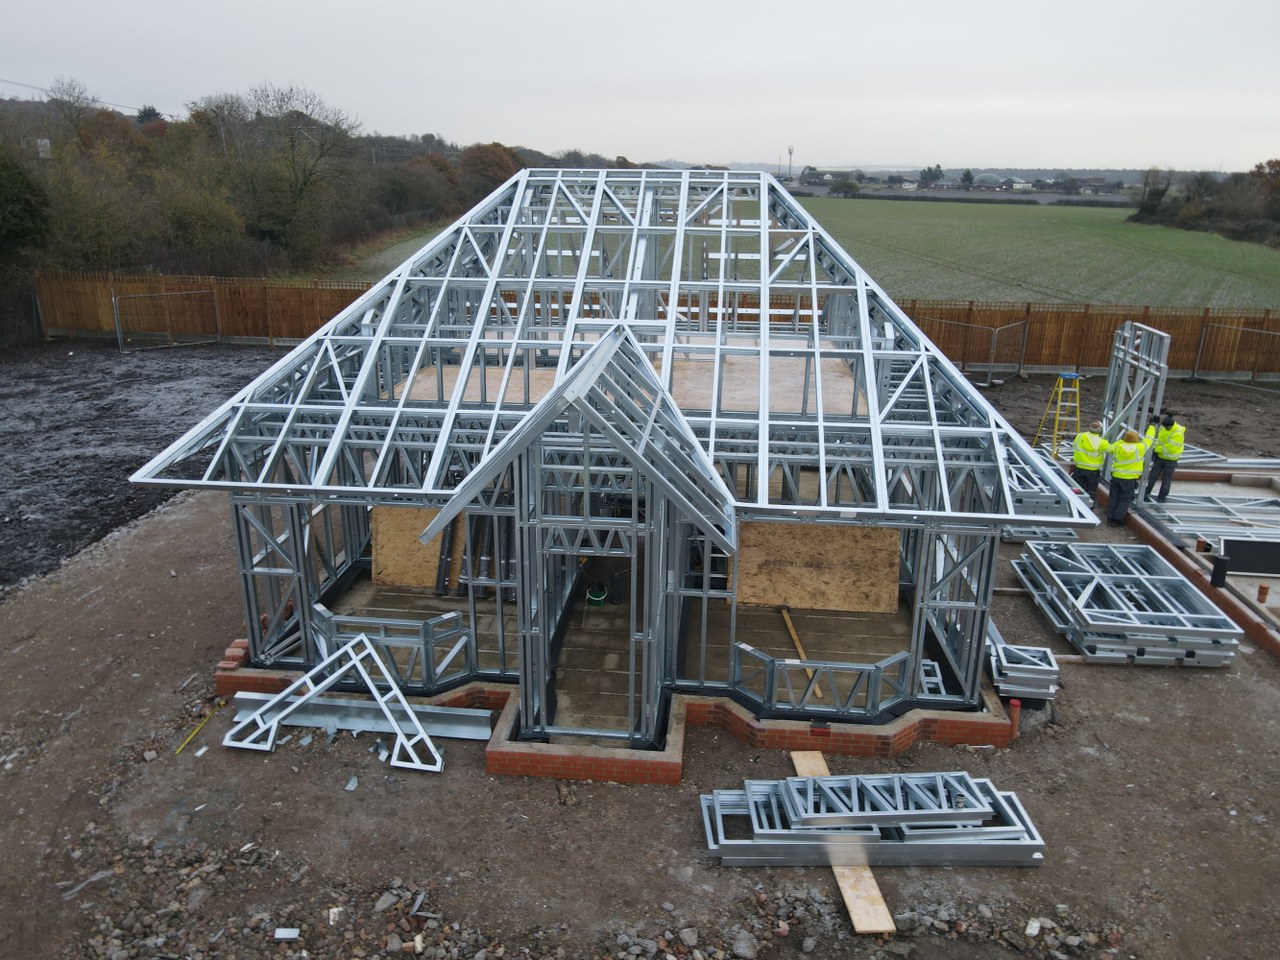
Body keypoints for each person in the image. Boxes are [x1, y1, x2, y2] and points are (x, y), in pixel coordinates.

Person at [1106, 428, 1151, 526]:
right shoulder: (1140, 448)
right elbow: (1149, 440)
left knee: (1113, 497)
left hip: (1116, 477)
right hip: (1129, 479)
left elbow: (1109, 448)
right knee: (1125, 499)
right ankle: (1117, 519)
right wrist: (1151, 427)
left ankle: (1109, 517)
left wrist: (1122, 440)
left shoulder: (1118, 445)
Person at [1144, 412, 1186, 503]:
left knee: (1166, 479)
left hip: (1170, 460)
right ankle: (1146, 493)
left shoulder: (1178, 433)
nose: (1165, 428)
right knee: (1153, 476)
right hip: (1160, 457)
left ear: (1171, 426)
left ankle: (1162, 498)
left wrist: (1155, 449)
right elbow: (1159, 440)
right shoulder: (1163, 427)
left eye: (1167, 427)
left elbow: (1168, 448)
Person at [1071, 421, 1110, 505]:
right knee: (1091, 492)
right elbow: (1111, 450)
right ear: (1100, 430)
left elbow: (1074, 445)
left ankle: (1075, 505)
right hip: (1093, 471)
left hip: (1079, 468)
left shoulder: (1080, 436)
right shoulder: (1102, 442)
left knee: (1076, 490)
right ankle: (1088, 508)